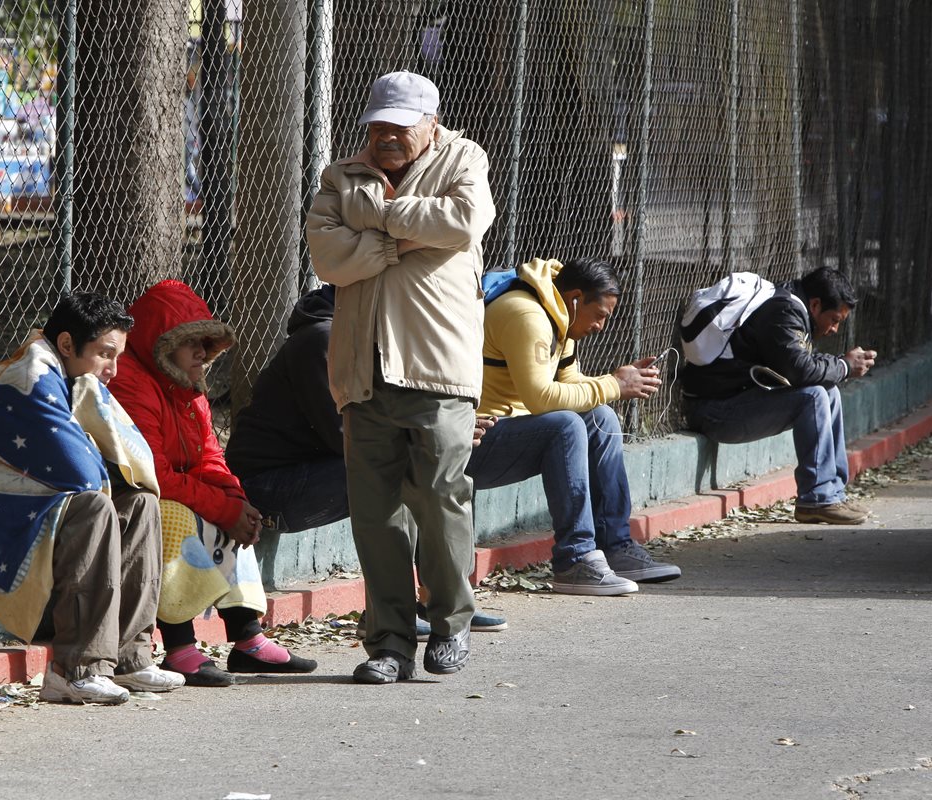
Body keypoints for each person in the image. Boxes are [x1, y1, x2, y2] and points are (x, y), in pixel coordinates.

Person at [0, 292, 185, 705]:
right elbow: (83, 473)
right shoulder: (30, 376)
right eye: (105, 354)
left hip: (14, 510)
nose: (113, 370)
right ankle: (75, 670)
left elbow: (135, 460)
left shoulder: (76, 378)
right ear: (67, 345)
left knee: (140, 504)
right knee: (95, 506)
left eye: (117, 356)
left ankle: (129, 658)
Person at [306, 70, 496, 684]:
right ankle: (388, 642)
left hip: (437, 367)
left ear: (430, 124)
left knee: (440, 499)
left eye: (400, 126)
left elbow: (463, 223)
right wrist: (401, 239)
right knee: (377, 514)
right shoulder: (341, 176)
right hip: (364, 373)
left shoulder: (464, 157)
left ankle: (451, 625)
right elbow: (328, 257)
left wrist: (378, 218)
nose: (386, 137)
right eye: (378, 126)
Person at [224, 285, 508, 638]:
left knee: (429, 463)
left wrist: (448, 432)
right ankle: (392, 613)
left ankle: (442, 600)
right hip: (267, 489)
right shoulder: (322, 340)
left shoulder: (357, 339)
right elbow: (344, 435)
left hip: (310, 474)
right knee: (397, 468)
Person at [109, 280, 317, 687]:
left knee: (227, 508)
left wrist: (236, 501)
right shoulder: (131, 381)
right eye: (193, 344)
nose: (203, 354)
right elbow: (152, 473)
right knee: (174, 515)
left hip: (170, 486)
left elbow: (209, 456)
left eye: (208, 343)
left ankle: (247, 639)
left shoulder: (189, 386)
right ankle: (179, 648)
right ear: (163, 345)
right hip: (128, 494)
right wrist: (223, 508)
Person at [476, 257, 681, 595]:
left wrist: (617, 381)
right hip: (476, 438)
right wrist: (614, 384)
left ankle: (615, 547)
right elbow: (542, 398)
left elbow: (570, 383)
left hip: (509, 431)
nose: (601, 326)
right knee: (565, 426)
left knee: (601, 418)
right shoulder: (527, 315)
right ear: (575, 298)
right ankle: (575, 558)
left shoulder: (557, 312)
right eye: (599, 315)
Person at [681, 267, 876, 524]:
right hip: (714, 413)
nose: (834, 329)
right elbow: (801, 371)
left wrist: (840, 366)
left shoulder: (785, 305)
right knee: (814, 396)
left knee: (828, 393)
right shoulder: (783, 312)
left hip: (730, 404)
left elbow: (800, 364)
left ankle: (832, 494)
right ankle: (817, 499)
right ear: (815, 305)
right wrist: (844, 366)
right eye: (834, 320)